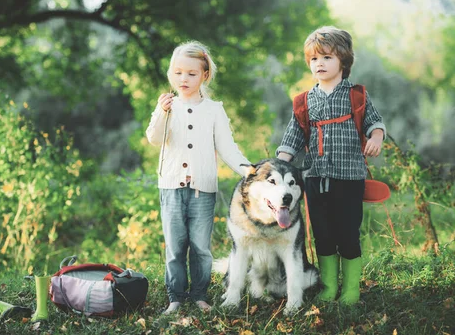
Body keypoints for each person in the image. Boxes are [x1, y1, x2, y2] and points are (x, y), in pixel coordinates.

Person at [276, 26, 386, 305]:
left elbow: (374, 123)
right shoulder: (304, 101)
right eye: (314, 59)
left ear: (343, 61)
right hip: (314, 177)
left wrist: (376, 137)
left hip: (349, 177)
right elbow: (293, 137)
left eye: (326, 57)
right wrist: (278, 166)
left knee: (347, 232)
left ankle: (351, 290)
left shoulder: (356, 95)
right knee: (322, 234)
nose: (319, 64)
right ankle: (328, 287)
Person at [146, 41, 251, 314]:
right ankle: (176, 297)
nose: (184, 79)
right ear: (171, 73)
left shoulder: (214, 109)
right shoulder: (168, 107)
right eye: (178, 72)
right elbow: (154, 138)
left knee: (201, 247)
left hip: (202, 190)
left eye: (192, 74)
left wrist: (248, 170)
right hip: (171, 188)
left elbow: (227, 147)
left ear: (204, 75)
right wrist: (161, 112)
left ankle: (200, 294)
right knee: (175, 247)